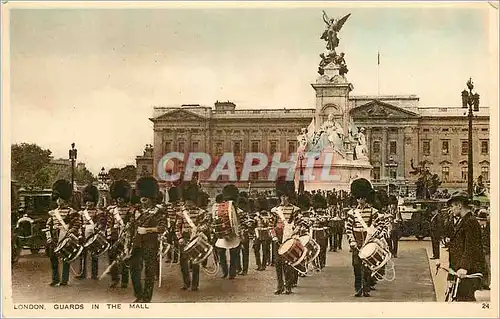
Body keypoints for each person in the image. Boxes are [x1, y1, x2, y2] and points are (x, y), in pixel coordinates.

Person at [129, 176, 166, 303]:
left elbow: (162, 227)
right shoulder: (136, 210)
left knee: (149, 271)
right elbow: (131, 225)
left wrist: (148, 230)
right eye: (141, 197)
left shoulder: (159, 211)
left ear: (151, 197)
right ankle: (138, 294)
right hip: (137, 242)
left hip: (150, 242)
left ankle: (146, 297)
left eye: (145, 198)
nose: (143, 200)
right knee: (133, 267)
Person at [345, 178, 382, 297]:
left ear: (366, 198)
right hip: (357, 241)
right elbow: (348, 229)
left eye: (363, 198)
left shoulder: (373, 212)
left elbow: (379, 226)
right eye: (359, 198)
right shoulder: (352, 213)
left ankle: (365, 288)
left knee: (367, 266)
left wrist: (374, 237)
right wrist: (352, 241)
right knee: (356, 266)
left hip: (368, 241)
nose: (361, 200)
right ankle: (358, 288)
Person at [446, 191, 485, 301]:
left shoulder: (470, 222)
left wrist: (464, 267)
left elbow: (471, 247)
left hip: (467, 273)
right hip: (460, 273)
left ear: (459, 205)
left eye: (453, 206)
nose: (452, 209)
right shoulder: (465, 221)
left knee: (465, 302)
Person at [45, 179, 82, 287]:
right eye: (57, 199)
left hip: (65, 236)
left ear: (64, 199)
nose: (58, 201)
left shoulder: (71, 212)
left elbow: (76, 224)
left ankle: (64, 280)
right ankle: (55, 279)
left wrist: (70, 232)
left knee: (66, 259)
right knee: (53, 260)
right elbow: (48, 225)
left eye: (60, 199)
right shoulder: (53, 213)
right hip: (55, 237)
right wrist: (49, 237)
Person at [176, 182, 210, 291]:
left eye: (190, 201)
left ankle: (195, 284)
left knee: (195, 261)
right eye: (186, 201)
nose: (187, 203)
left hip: (196, 237)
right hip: (185, 237)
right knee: (183, 262)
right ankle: (186, 283)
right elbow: (177, 227)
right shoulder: (181, 213)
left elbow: (206, 225)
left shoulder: (201, 212)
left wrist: (200, 229)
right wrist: (180, 238)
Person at [270, 182, 300, 295]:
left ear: (289, 196)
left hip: (289, 238)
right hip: (277, 238)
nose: (284, 198)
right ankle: (280, 286)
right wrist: (273, 236)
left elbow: (299, 224)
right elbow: (271, 225)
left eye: (286, 196)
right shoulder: (275, 210)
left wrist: (294, 233)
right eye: (282, 196)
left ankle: (288, 286)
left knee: (288, 263)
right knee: (278, 263)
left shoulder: (295, 209)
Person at [106, 180, 134, 289]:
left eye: (121, 197)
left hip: (126, 236)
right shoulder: (112, 210)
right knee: (112, 257)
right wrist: (109, 235)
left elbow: (132, 222)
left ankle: (125, 281)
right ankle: (115, 278)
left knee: (124, 258)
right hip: (114, 235)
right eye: (118, 197)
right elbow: (109, 223)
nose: (119, 199)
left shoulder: (130, 210)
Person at [76, 184, 106, 280]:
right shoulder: (81, 213)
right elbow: (80, 224)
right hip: (84, 234)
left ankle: (94, 274)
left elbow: (101, 223)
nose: (89, 204)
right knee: (82, 255)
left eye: (91, 202)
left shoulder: (99, 212)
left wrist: (98, 228)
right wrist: (80, 234)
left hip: (93, 234)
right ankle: (82, 273)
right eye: (88, 202)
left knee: (94, 255)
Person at [213, 184, 243, 280]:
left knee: (231, 253)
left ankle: (229, 272)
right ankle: (227, 272)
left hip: (233, 234)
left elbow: (239, 220)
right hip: (223, 234)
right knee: (227, 253)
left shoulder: (236, 209)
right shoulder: (220, 207)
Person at [477, 210, 490, 290]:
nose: (480, 222)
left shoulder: (489, 227)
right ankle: (480, 284)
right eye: (479, 220)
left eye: (482, 220)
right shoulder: (478, 227)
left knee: (487, 267)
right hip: (479, 250)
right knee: (480, 267)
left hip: (487, 251)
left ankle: (486, 284)